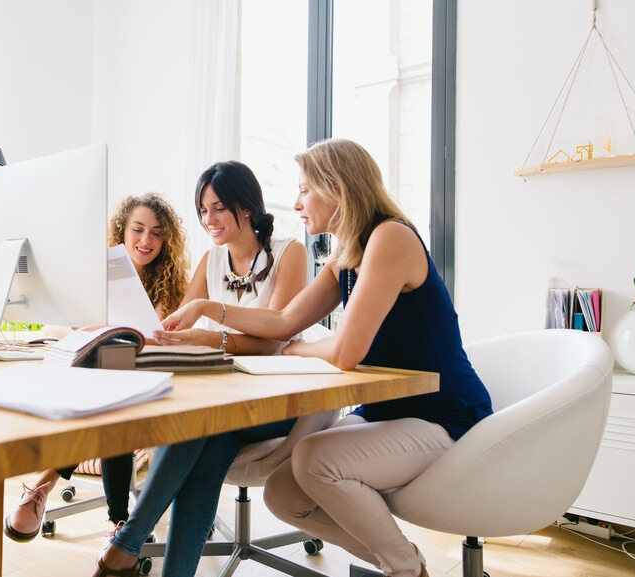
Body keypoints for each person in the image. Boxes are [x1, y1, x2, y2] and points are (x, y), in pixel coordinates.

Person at [158, 139, 493, 577]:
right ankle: (405, 560)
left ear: (338, 188)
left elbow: (345, 352)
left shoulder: (390, 237)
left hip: (444, 416)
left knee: (314, 460)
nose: (296, 203)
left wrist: (297, 349)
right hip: (386, 413)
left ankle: (403, 569)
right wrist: (205, 309)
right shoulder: (346, 255)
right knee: (284, 493)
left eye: (304, 189)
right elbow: (282, 320)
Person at [93, 160, 307, 577]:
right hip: (229, 401)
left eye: (218, 208)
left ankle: (127, 542)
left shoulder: (288, 252)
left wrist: (209, 331)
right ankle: (148, 556)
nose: (209, 219)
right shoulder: (213, 259)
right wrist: (141, 330)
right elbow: (176, 325)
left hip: (279, 398)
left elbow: (273, 340)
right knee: (203, 435)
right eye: (203, 210)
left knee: (199, 426)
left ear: (246, 206)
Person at [4, 192, 190, 543]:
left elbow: (159, 339)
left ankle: (43, 486)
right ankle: (120, 522)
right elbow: (51, 329)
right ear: (122, 230)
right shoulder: (95, 275)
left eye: (156, 233)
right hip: (101, 385)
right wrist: (84, 330)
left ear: (167, 240)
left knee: (112, 396)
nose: (146, 240)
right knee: (107, 392)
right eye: (138, 230)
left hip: (148, 386)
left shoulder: (174, 284)